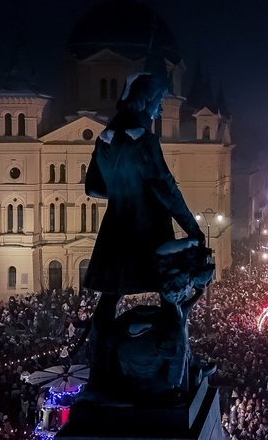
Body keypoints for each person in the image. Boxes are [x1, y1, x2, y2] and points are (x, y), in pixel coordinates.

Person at [82, 73, 206, 397]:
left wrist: (122, 185)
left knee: (107, 303)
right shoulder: (145, 140)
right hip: (148, 229)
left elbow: (93, 187)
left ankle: (100, 374)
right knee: (170, 301)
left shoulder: (105, 137)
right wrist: (192, 228)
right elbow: (165, 186)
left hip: (115, 230)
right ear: (147, 100)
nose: (160, 110)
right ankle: (176, 377)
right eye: (159, 102)